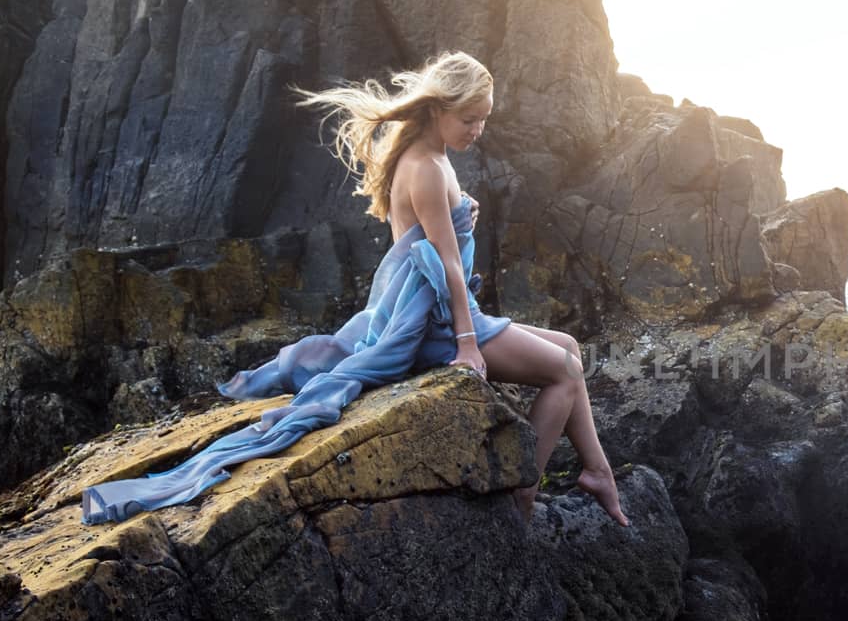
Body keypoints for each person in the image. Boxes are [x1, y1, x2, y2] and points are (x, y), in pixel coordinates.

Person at [80, 51, 628, 528]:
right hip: (435, 324)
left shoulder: (427, 158)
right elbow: (447, 268)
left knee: (571, 347)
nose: (477, 131)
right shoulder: (428, 168)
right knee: (565, 370)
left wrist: (464, 218)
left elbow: (432, 236)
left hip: (438, 311)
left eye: (484, 120)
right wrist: (466, 344)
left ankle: (597, 472)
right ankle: (523, 496)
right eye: (469, 119)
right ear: (438, 108)